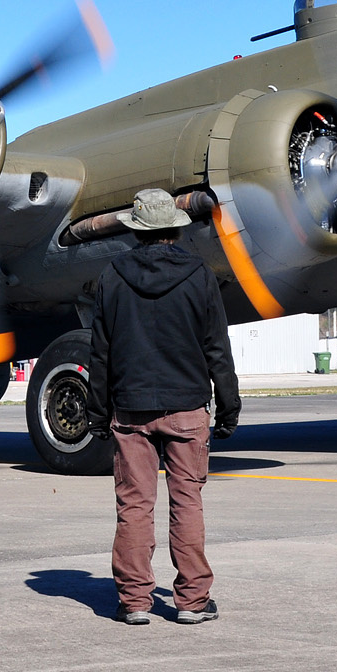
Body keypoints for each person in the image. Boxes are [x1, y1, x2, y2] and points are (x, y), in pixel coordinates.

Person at [88, 187, 242, 626]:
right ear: (175, 229)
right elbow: (217, 348)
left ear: (137, 232)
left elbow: (102, 353)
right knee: (187, 501)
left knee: (134, 505)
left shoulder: (112, 276)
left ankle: (135, 600)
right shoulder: (199, 275)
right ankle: (192, 601)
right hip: (188, 407)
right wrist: (229, 406)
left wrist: (98, 412)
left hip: (131, 408)